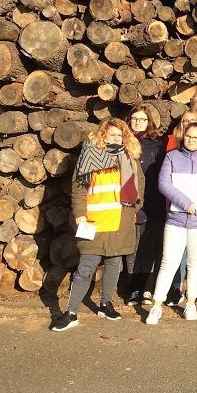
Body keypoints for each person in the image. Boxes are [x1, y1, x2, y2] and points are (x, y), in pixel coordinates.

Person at [50, 119, 145, 331]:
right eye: (112, 135)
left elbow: (140, 185)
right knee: (85, 268)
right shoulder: (89, 157)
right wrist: (80, 215)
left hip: (120, 221)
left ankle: (105, 304)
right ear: (103, 135)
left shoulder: (130, 158)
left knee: (114, 265)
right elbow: (79, 190)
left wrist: (134, 209)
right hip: (95, 221)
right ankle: (71, 312)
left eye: (120, 136)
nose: (116, 139)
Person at [145, 122, 197, 324]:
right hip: (176, 219)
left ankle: (190, 302)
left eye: (196, 138)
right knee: (169, 262)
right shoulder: (172, 157)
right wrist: (185, 202)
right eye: (188, 136)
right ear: (183, 136)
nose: (191, 140)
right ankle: (156, 305)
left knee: (195, 263)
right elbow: (164, 184)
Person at [164, 108, 197, 306]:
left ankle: (194, 288)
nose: (187, 123)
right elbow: (165, 179)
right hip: (175, 207)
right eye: (184, 121)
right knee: (174, 254)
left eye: (193, 120)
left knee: (195, 254)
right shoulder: (171, 147)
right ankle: (175, 288)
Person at [124, 105, 166, 307]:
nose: (138, 122)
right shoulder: (124, 144)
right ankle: (133, 287)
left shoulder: (157, 145)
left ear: (149, 121)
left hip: (155, 201)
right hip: (132, 201)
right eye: (134, 119)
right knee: (132, 246)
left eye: (142, 119)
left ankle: (147, 288)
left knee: (150, 246)